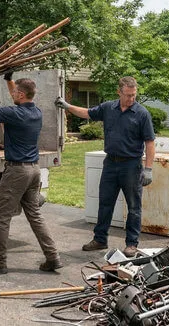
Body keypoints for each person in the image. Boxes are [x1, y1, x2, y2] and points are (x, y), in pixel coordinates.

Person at [55, 76, 155, 257]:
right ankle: (100, 239)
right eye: (128, 95)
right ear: (119, 92)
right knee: (105, 203)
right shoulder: (108, 108)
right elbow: (87, 113)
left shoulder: (142, 114)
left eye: (134, 95)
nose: (131, 99)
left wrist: (148, 169)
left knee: (133, 206)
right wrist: (67, 106)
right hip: (110, 164)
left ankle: (131, 244)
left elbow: (150, 142)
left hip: (131, 166)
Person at [0, 70, 63, 274]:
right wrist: (8, 80)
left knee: (2, 217)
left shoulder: (15, 114)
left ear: (22, 95)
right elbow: (17, 94)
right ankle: (53, 257)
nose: (12, 94)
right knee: (35, 215)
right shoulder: (36, 112)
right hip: (33, 170)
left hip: (17, 172)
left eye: (15, 92)